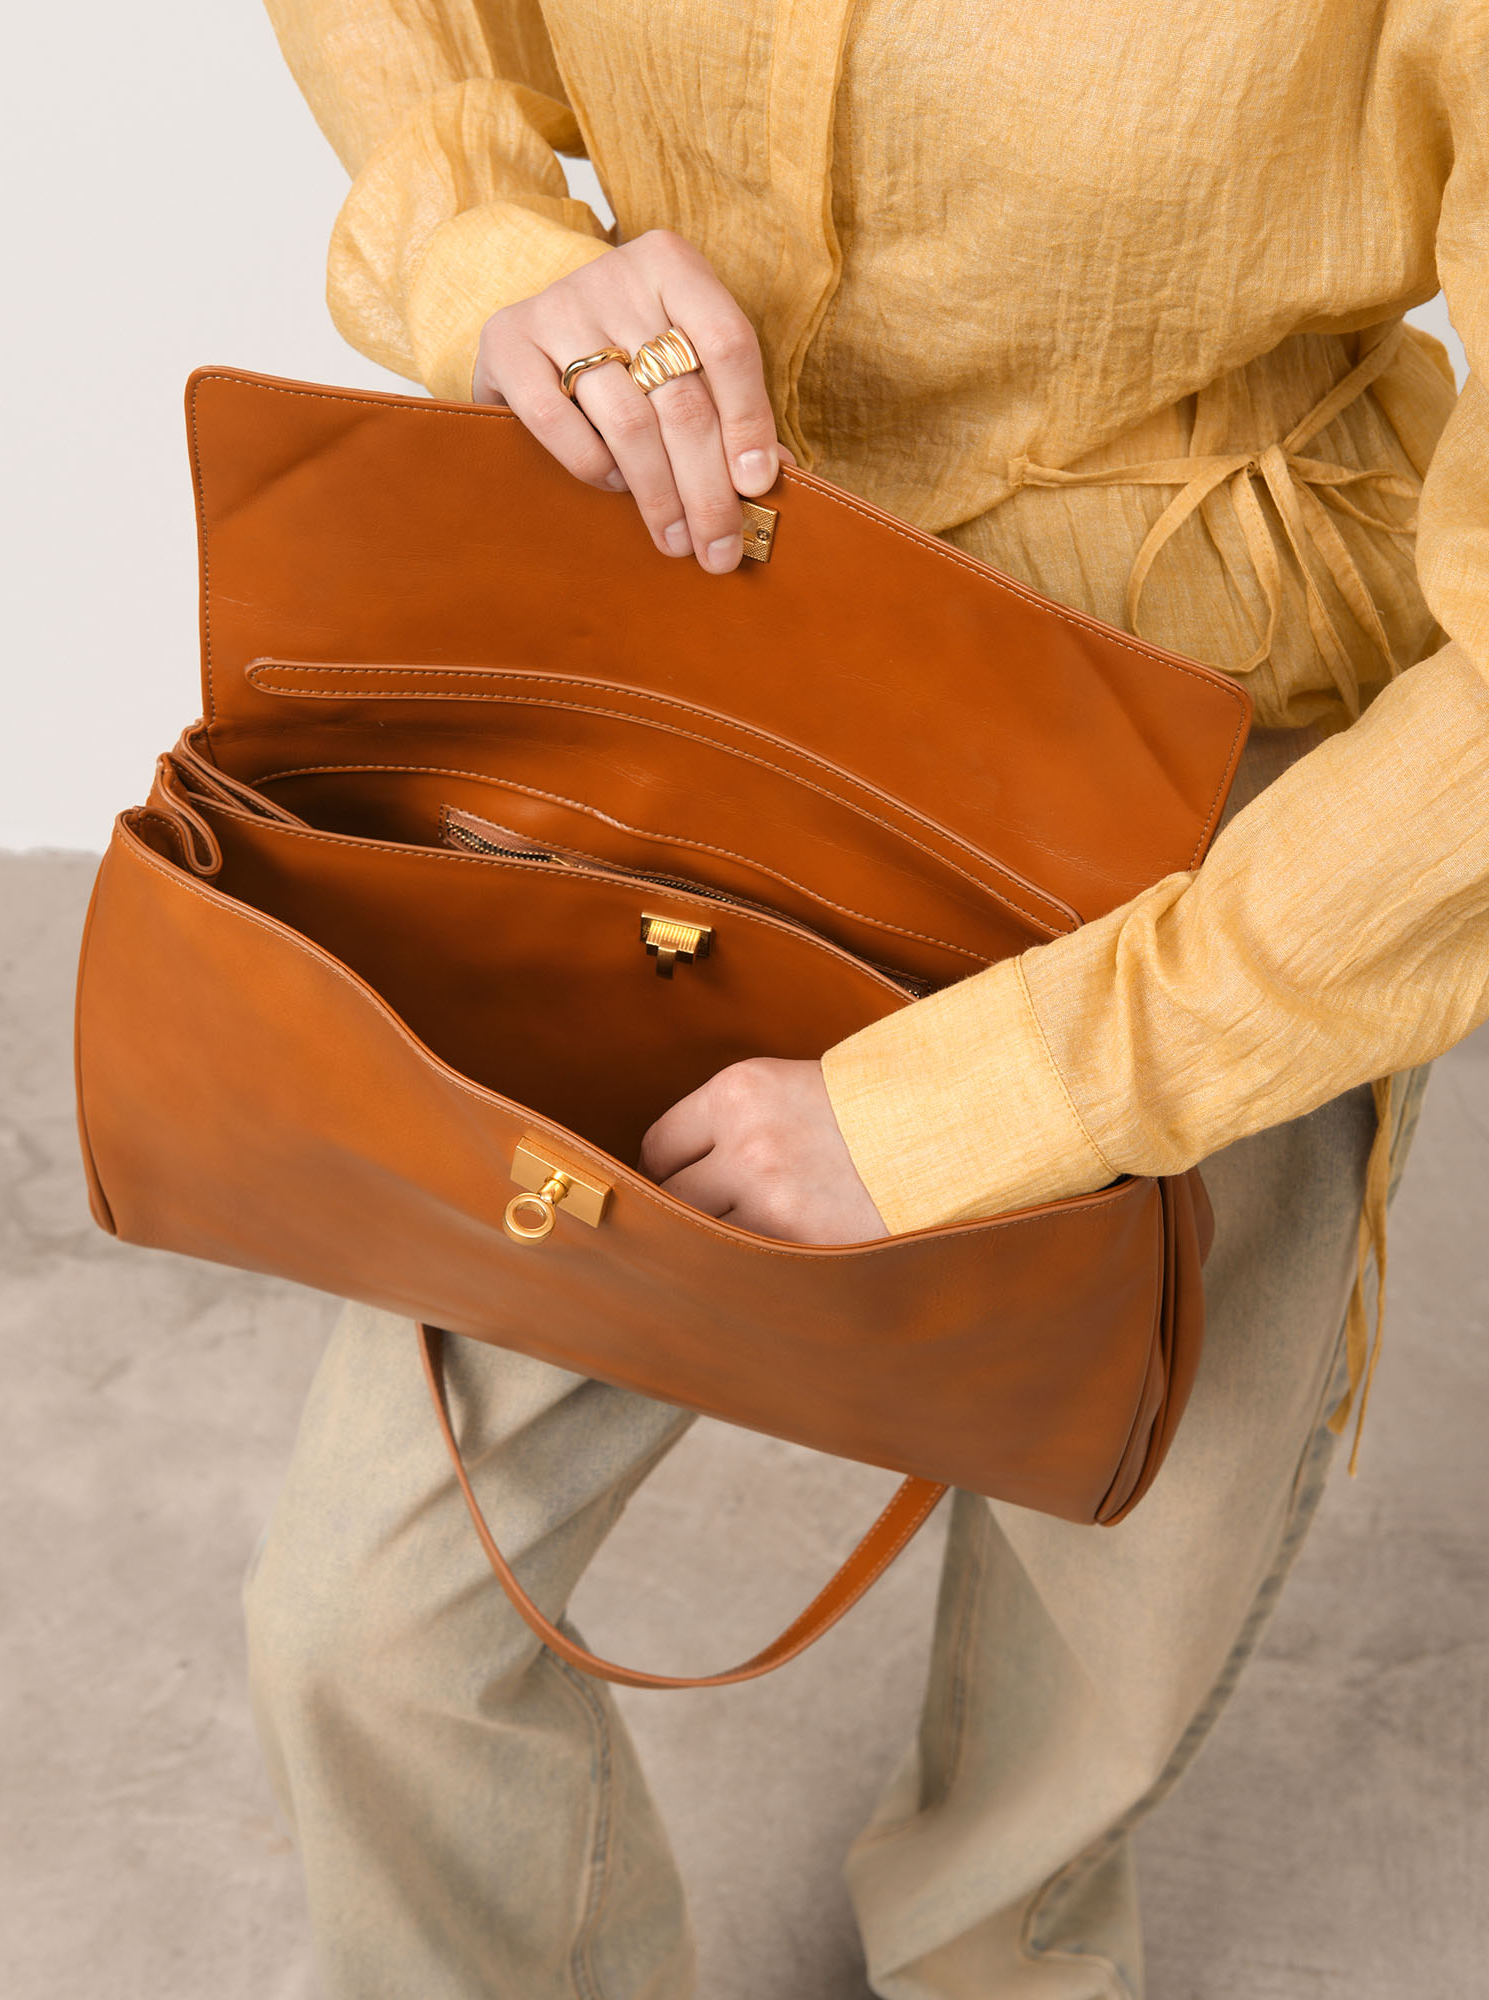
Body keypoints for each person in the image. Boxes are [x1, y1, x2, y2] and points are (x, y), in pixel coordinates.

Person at [245, 3, 1487, 1994]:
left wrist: (983, 1104)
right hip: (707, 653)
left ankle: (1002, 1950)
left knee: (1109, 1620)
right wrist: (486, 248)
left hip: (1216, 787)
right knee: (370, 1618)